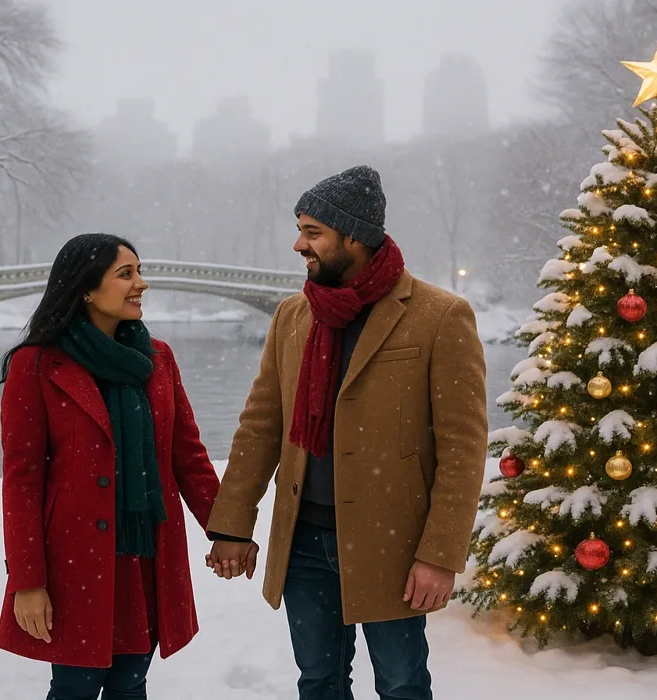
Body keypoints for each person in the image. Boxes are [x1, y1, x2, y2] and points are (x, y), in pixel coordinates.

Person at [205, 166, 489, 699]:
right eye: (299, 229)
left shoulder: (439, 316)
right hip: (304, 541)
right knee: (319, 682)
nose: (298, 244)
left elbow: (463, 448)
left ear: (353, 236)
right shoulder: (293, 316)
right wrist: (233, 525)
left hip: (394, 544)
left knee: (403, 685)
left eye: (312, 233)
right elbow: (261, 426)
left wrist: (440, 554)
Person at [0, 233, 220, 700]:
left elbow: (187, 456)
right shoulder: (35, 364)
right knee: (75, 686)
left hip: (146, 555)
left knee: (131, 682)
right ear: (85, 288)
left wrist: (226, 527)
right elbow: (22, 481)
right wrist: (27, 580)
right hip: (74, 561)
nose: (141, 283)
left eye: (139, 271)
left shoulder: (157, 358)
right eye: (126, 274)